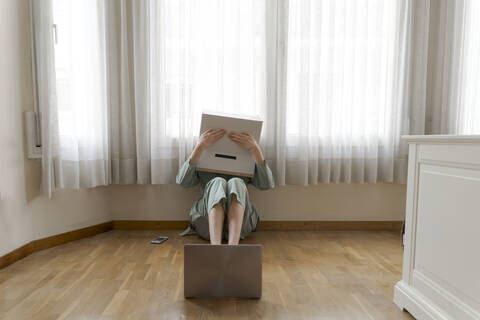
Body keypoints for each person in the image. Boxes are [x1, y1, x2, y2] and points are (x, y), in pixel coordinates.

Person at [176, 128, 275, 245]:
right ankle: (216, 247)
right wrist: (200, 146)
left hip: (241, 225)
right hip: (207, 223)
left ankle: (233, 247)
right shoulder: (203, 153)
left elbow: (266, 184)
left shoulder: (247, 157)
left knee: (236, 182)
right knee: (217, 182)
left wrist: (255, 149)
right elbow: (183, 181)